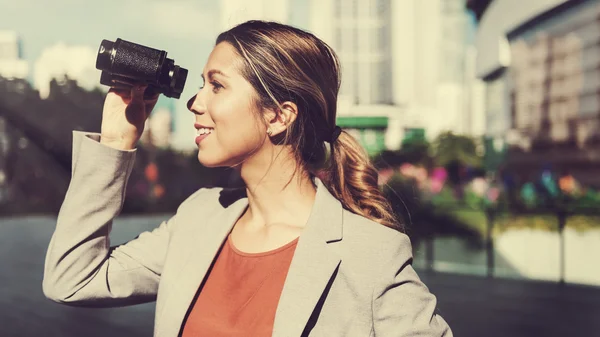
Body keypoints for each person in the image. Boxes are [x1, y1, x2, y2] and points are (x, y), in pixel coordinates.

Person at [43, 20, 452, 337]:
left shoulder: (370, 254)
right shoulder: (200, 218)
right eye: (202, 84)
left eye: (217, 86)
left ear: (278, 115)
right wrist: (115, 142)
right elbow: (72, 279)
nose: (195, 101)